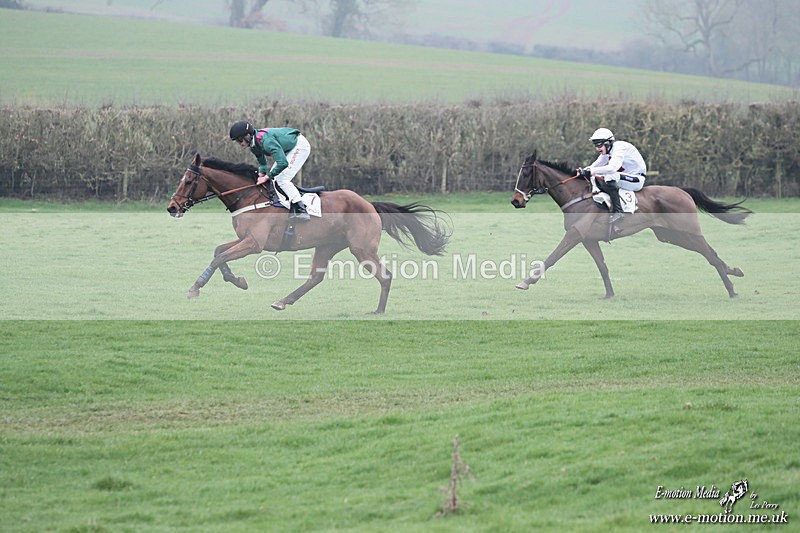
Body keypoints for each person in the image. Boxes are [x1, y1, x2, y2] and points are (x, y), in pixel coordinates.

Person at [229, 120, 311, 221]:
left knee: (282, 179)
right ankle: (288, 204)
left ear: (248, 136)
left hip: (299, 145)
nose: (240, 143)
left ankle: (301, 209)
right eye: (237, 141)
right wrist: (261, 174)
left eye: (240, 140)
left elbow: (283, 163)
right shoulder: (253, 146)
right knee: (275, 179)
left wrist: (267, 177)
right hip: (288, 148)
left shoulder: (266, 142)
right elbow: (262, 163)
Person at [577, 128, 647, 223]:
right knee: (596, 175)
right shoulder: (608, 151)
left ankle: (618, 211)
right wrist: (583, 171)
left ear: (607, 143)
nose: (597, 148)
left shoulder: (619, 148)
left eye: (599, 145)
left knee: (610, 175)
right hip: (625, 178)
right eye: (595, 145)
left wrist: (590, 171)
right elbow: (596, 165)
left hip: (637, 180)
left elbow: (612, 168)